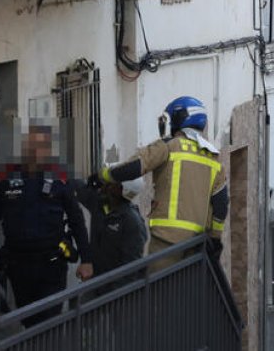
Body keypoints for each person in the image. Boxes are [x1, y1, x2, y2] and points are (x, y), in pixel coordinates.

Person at [91, 96, 228, 272]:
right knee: (187, 294)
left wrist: (104, 175)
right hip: (197, 244)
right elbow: (221, 205)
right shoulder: (213, 158)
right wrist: (215, 238)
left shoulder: (169, 146)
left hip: (167, 241)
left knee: (159, 294)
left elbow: (134, 168)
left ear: (179, 119)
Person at [0, 126, 93, 327]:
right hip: (19, 264)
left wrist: (87, 260)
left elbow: (77, 221)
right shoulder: (5, 177)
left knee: (48, 322)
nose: (36, 152)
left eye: (42, 147)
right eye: (32, 146)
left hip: (52, 263)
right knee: (29, 321)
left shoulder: (60, 176)